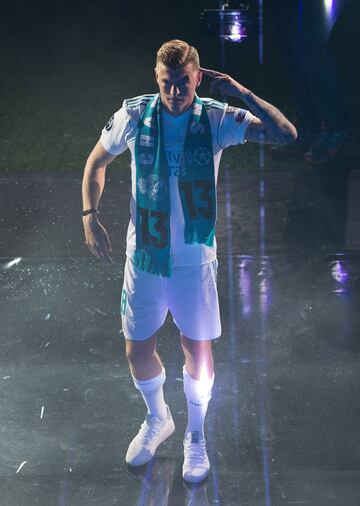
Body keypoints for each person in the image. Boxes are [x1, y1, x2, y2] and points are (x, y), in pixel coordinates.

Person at [81, 39, 296, 484]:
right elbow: (96, 162)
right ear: (156, 80)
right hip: (145, 257)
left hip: (194, 261)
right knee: (137, 349)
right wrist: (89, 216)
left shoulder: (215, 118)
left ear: (197, 78)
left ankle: (195, 437)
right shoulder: (136, 115)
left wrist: (240, 91)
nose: (175, 92)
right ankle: (159, 419)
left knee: (196, 350)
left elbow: (285, 135)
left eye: (183, 82)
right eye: (167, 83)